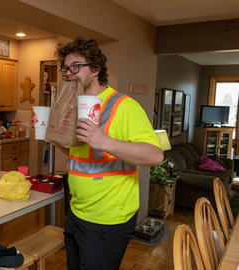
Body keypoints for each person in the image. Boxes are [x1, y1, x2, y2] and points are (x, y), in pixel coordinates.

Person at [56, 37, 164, 270]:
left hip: (108, 219)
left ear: (95, 68)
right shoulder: (73, 105)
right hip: (76, 211)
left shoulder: (124, 106)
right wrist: (54, 136)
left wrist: (104, 141)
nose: (68, 73)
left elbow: (155, 156)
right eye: (65, 68)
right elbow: (78, 153)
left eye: (76, 66)